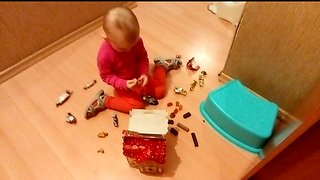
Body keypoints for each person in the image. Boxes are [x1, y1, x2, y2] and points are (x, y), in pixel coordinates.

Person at [84, 6, 182, 119]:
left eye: (132, 45)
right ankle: (104, 101)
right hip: (124, 86)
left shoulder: (136, 41)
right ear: (107, 39)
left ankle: (161, 66)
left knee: (160, 92)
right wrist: (124, 84)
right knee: (137, 107)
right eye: (122, 49)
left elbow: (142, 58)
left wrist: (144, 73)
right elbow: (106, 76)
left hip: (140, 78)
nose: (129, 50)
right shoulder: (104, 56)